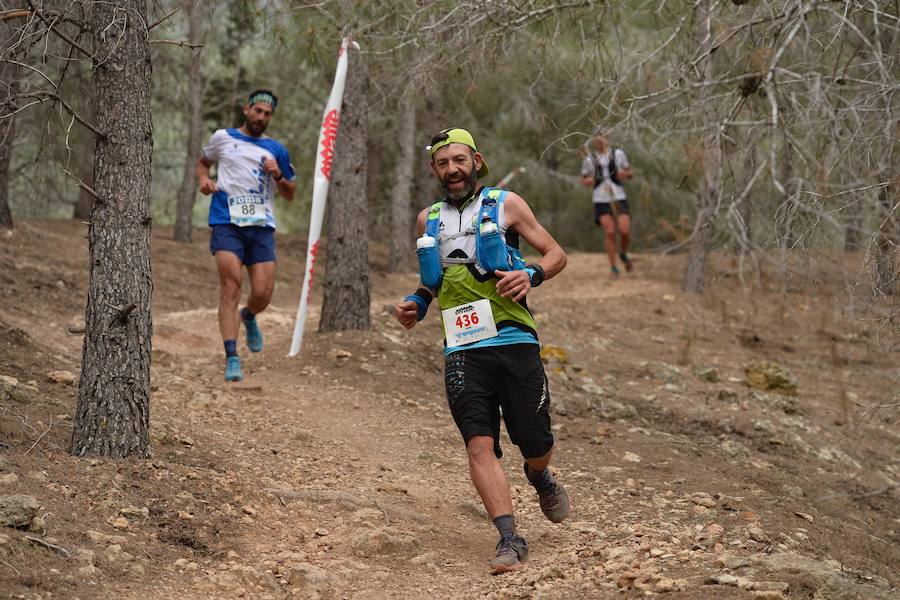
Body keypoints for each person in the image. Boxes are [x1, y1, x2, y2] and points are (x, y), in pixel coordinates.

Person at [394, 128, 570, 574]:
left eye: (458, 160)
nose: (451, 170)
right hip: (461, 346)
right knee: (479, 443)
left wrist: (531, 274)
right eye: (442, 163)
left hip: (513, 338)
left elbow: (555, 253)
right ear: (434, 170)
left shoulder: (506, 204)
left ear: (476, 160)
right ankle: (510, 537)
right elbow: (432, 279)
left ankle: (538, 475)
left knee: (535, 441)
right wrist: (416, 302)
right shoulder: (426, 219)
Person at [196, 89, 297, 382]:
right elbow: (203, 163)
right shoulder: (222, 137)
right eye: (258, 111)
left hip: (261, 226)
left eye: (267, 114)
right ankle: (232, 357)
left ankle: (249, 316)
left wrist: (278, 175)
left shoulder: (276, 149)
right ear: (246, 110)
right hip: (226, 221)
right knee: (231, 285)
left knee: (263, 293)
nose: (261, 117)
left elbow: (290, 194)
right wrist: (204, 180)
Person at [580, 125, 634, 276]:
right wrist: (588, 182)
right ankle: (613, 266)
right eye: (597, 136)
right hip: (600, 198)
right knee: (609, 231)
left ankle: (623, 252)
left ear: (607, 137)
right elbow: (583, 178)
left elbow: (629, 172)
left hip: (618, 196)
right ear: (594, 139)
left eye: (602, 135)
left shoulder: (618, 154)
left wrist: (625, 174)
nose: (600, 139)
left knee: (624, 230)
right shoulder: (589, 159)